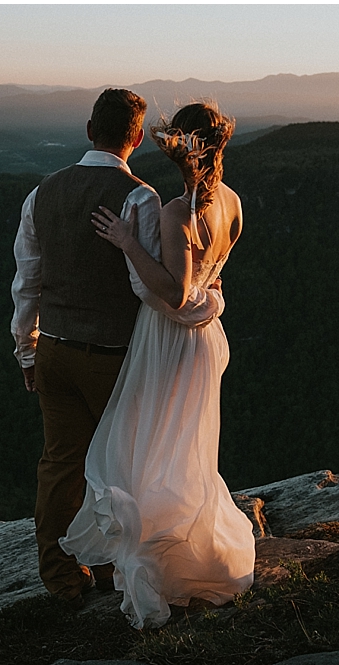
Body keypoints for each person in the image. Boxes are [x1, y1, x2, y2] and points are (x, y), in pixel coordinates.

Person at [11, 89, 225, 611]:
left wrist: (27, 349)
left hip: (56, 350)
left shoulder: (41, 193)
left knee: (60, 462)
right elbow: (149, 289)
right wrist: (207, 302)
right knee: (123, 466)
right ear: (135, 137)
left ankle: (61, 575)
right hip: (115, 358)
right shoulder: (140, 198)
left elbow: (26, 281)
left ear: (89, 129)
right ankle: (116, 567)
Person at [58, 102, 255, 629]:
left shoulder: (175, 210)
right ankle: (196, 551)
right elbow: (211, 279)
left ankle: (159, 563)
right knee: (187, 448)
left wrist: (125, 242)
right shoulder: (232, 203)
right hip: (208, 336)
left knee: (140, 450)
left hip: (169, 338)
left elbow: (172, 292)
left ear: (175, 146)